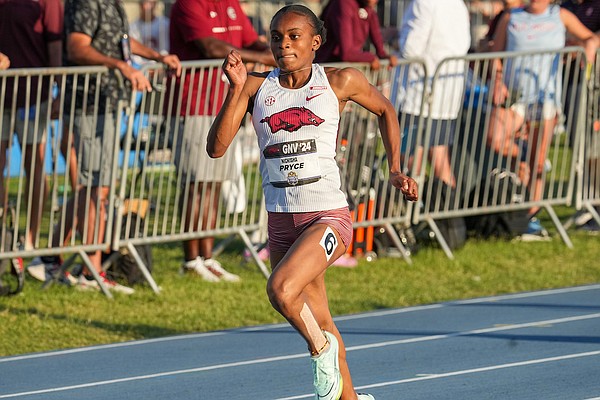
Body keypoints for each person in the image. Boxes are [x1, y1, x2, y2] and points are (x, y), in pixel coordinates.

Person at [207, 5, 418, 399]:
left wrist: (395, 168)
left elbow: (386, 109)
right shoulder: (256, 87)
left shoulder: (340, 81)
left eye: (293, 36)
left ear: (315, 42)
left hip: (327, 217)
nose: (283, 44)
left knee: (282, 291)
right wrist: (236, 89)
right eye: (275, 37)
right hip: (281, 221)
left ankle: (322, 351)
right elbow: (217, 149)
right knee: (317, 316)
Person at [32, 0, 181, 294]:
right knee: (96, 189)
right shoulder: (85, 3)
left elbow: (121, 41)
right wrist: (121, 67)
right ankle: (90, 270)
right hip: (88, 104)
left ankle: (50, 256)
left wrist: (156, 56)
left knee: (96, 187)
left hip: (109, 105)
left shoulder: (110, 3)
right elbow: (77, 47)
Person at [169, 0, 276, 283]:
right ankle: (191, 259)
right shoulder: (187, 4)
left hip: (224, 106)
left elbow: (253, 41)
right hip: (194, 103)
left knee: (214, 183)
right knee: (196, 183)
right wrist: (265, 59)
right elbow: (211, 47)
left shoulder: (230, 4)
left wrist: (272, 52)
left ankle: (207, 256)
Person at [487, 0, 599, 234]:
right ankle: (522, 156)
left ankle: (529, 217)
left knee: (538, 162)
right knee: (495, 137)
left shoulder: (560, 15)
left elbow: (591, 38)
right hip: (515, 97)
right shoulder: (511, 17)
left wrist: (585, 54)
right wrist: (497, 80)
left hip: (544, 99)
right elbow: (496, 53)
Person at [0, 0, 63, 252]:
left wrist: (59, 88)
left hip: (34, 94)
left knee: (34, 164)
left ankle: (30, 239)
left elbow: (55, 45)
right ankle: (4, 235)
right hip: (2, 94)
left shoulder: (48, 2)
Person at [397, 0, 470, 196]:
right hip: (445, 95)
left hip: (420, 95)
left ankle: (413, 214)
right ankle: (448, 220)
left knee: (409, 160)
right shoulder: (458, 4)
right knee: (439, 158)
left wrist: (395, 40)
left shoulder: (424, 3)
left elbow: (410, 49)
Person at [315, 0, 398, 70]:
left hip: (347, 68)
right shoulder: (344, 4)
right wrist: (370, 58)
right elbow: (347, 53)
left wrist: (386, 57)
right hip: (329, 67)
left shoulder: (368, 7)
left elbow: (378, 42)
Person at [129, 0, 170, 68]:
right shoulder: (132, 26)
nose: (147, 6)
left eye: (150, 3)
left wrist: (159, 65)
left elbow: (165, 50)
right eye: (144, 2)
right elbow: (134, 55)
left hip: (160, 68)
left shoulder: (165, 24)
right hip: (141, 70)